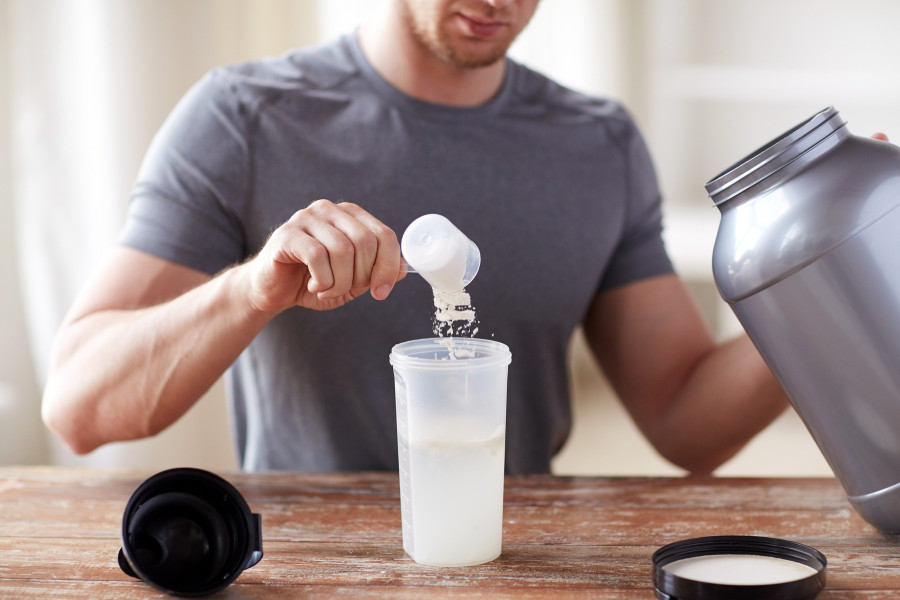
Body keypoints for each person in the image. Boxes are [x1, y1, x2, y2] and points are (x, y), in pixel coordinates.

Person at [42, 0, 789, 473]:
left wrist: (819, 284)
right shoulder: (244, 119)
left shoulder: (599, 144)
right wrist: (251, 288)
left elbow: (687, 423)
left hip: (517, 566)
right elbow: (78, 408)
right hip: (308, 572)